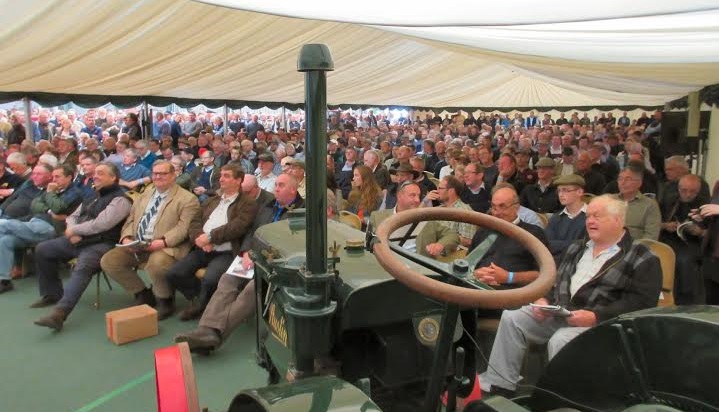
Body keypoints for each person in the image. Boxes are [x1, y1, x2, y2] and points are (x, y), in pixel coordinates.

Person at [479, 195, 662, 397]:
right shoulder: (577, 247)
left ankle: (560, 399)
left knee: (562, 339)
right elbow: (556, 281)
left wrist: (596, 316)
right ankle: (500, 386)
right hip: (561, 314)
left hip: (603, 326)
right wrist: (544, 300)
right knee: (513, 317)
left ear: (618, 220)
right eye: (589, 216)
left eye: (597, 216)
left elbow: (641, 303)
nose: (590, 221)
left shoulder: (642, 256)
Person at [173, 173, 299, 353]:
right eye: (276, 184)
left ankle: (213, 334)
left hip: (275, 265)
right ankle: (206, 330)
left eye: (280, 185)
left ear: (293, 190)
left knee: (251, 290)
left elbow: (292, 245)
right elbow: (251, 232)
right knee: (227, 279)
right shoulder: (267, 206)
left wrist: (261, 258)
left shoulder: (301, 212)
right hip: (252, 256)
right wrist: (247, 251)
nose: (275, 188)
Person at [32, 162, 132, 330]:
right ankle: (52, 294)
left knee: (83, 265)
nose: (95, 175)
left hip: (103, 243)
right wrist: (72, 229)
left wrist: (76, 231)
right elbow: (74, 215)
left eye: (101, 173)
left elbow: (103, 224)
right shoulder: (93, 195)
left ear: (113, 178)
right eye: (95, 173)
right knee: (43, 249)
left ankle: (60, 314)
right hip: (78, 238)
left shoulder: (121, 199)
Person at [100, 160, 200, 314]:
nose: (158, 177)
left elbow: (184, 228)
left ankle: (165, 300)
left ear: (174, 175)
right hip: (137, 244)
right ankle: (143, 293)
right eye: (155, 173)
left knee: (156, 263)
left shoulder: (187, 199)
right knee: (109, 261)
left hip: (168, 247)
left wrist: (162, 242)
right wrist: (126, 238)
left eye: (163, 173)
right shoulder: (144, 194)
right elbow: (131, 219)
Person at [165, 164, 259, 321]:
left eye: (227, 176)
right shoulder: (212, 200)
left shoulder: (247, 203)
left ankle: (201, 306)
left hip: (227, 251)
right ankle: (201, 299)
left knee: (210, 279)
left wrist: (210, 238)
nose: (221, 179)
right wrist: (200, 238)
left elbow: (237, 227)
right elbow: (195, 221)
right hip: (203, 248)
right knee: (174, 274)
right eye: (221, 175)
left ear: (238, 180)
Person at [0, 164, 83, 293]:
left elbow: (58, 207)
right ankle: (4, 281)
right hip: (33, 225)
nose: (54, 179)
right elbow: (35, 205)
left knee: (4, 224)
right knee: (5, 240)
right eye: (53, 176)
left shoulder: (74, 192)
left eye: (58, 176)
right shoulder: (54, 189)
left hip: (50, 228)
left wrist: (50, 195)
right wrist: (50, 209)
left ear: (69, 177)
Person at [471, 186, 549, 287]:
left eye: (502, 207)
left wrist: (509, 277)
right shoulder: (482, 231)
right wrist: (475, 274)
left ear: (516, 207)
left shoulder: (533, 234)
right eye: (494, 207)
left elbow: (543, 274)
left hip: (513, 294)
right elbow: (467, 265)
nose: (496, 212)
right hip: (476, 289)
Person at [370, 181, 459, 259]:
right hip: (387, 266)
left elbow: (452, 235)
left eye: (418, 196)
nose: (417, 200)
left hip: (417, 271)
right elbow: (370, 246)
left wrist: (440, 245)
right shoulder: (378, 217)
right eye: (412, 195)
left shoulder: (426, 220)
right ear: (399, 196)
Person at [659, 174, 706, 304]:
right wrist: (665, 225)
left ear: (699, 190)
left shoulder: (705, 204)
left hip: (692, 243)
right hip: (668, 239)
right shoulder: (669, 200)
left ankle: (684, 298)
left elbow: (711, 233)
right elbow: (655, 222)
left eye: (692, 191)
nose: (688, 194)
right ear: (678, 189)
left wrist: (700, 231)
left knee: (683, 260)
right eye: (684, 190)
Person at [545, 174, 587, 260]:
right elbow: (547, 244)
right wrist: (573, 244)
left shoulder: (591, 216)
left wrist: (558, 244)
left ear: (579, 192)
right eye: (559, 191)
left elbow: (586, 246)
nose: (560, 194)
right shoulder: (556, 218)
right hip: (556, 263)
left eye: (565, 190)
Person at [427, 175, 476, 247]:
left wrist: (443, 238)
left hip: (452, 254)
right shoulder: (439, 209)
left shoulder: (464, 211)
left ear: (451, 191)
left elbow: (468, 241)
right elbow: (417, 221)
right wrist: (425, 201)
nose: (437, 191)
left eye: (440, 188)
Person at [614, 164, 660, 241]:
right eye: (620, 179)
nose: (623, 182)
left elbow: (651, 236)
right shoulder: (609, 200)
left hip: (635, 248)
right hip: (607, 246)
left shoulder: (650, 204)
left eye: (628, 179)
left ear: (639, 183)